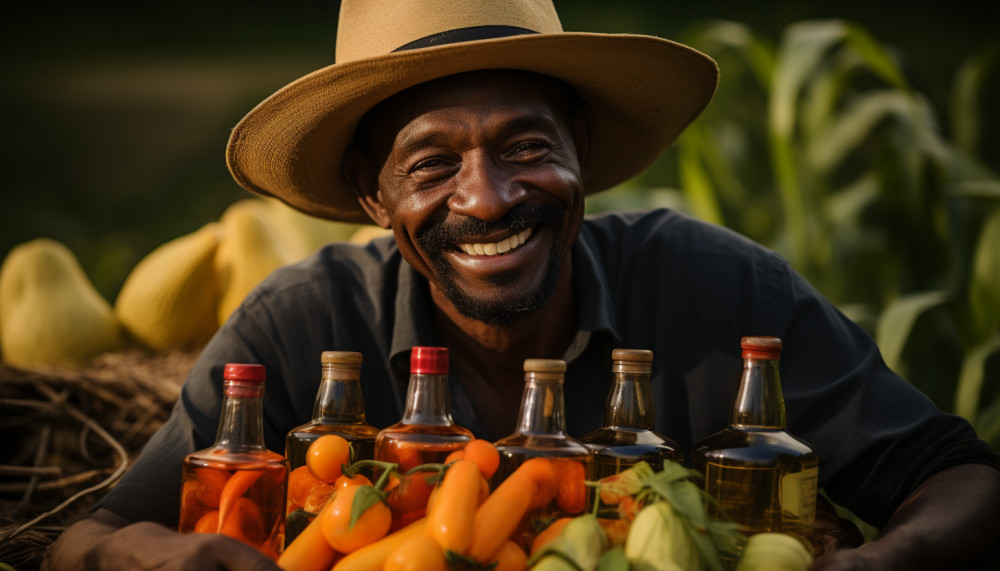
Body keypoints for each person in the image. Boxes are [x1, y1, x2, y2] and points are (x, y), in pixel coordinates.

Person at [44, 1, 1000, 570]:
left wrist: (886, 559)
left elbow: (961, 477)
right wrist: (158, 554)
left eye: (527, 146)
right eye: (429, 166)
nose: (488, 198)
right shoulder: (301, 327)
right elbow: (81, 541)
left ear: (582, 151)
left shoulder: (717, 295)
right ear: (371, 194)